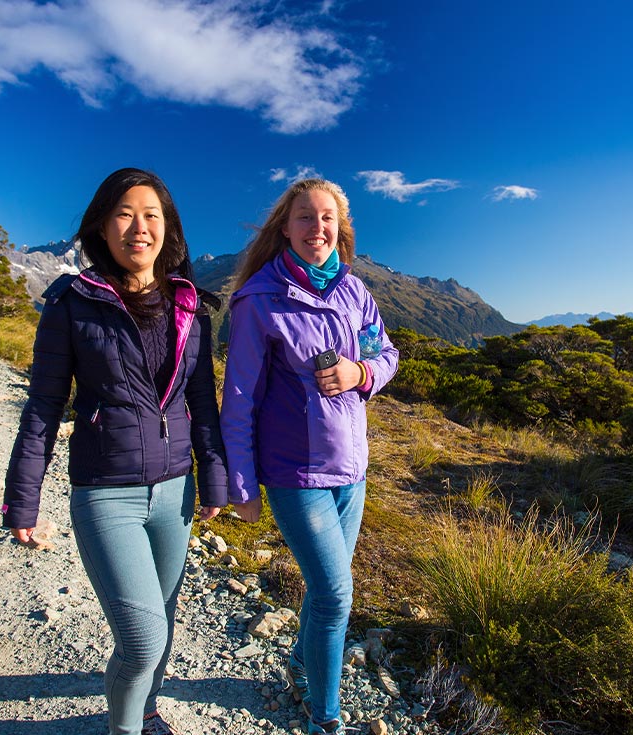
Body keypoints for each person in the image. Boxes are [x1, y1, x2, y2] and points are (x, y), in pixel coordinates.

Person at [1, 168, 228, 735]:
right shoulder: (72, 304)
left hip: (177, 490)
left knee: (165, 619)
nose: (139, 227)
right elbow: (43, 407)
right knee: (143, 636)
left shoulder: (189, 306)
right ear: (102, 226)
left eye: (152, 215)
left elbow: (203, 401)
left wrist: (215, 481)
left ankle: (146, 712)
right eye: (125, 214)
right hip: (106, 493)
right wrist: (22, 498)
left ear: (168, 228)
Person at [220, 178, 399, 734]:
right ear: (285, 226)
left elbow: (385, 354)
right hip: (296, 474)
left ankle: (300, 665)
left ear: (338, 228)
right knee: (334, 598)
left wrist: (361, 373)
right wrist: (242, 488)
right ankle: (326, 719)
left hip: (353, 471)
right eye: (305, 217)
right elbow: (240, 398)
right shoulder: (259, 299)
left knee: (329, 589)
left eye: (327, 219)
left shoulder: (355, 292)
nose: (316, 228)